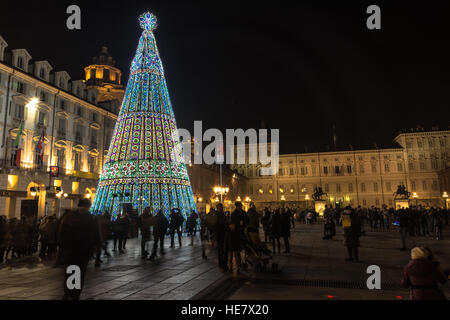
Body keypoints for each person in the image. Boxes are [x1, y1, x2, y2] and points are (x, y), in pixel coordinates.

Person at [58, 199, 100, 300]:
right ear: (88, 207)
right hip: (82, 250)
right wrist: (96, 246)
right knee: (79, 272)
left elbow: (61, 233)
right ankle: (74, 293)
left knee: (71, 271)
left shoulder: (68, 217)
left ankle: (69, 292)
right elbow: (95, 234)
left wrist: (62, 248)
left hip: (70, 250)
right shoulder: (90, 218)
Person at [227, 202, 244, 276]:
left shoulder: (242, 213)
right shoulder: (234, 214)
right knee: (231, 256)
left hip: (236, 242)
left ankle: (237, 268)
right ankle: (230, 268)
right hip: (231, 245)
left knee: (237, 255)